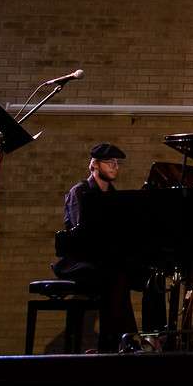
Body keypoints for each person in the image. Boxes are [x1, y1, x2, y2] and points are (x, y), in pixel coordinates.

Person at [52, 143, 164, 350]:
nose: (115, 167)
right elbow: (81, 234)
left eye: (117, 163)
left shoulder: (115, 196)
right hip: (79, 260)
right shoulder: (80, 192)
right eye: (109, 162)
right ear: (94, 164)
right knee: (116, 275)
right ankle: (121, 342)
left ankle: (153, 337)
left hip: (108, 259)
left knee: (153, 276)